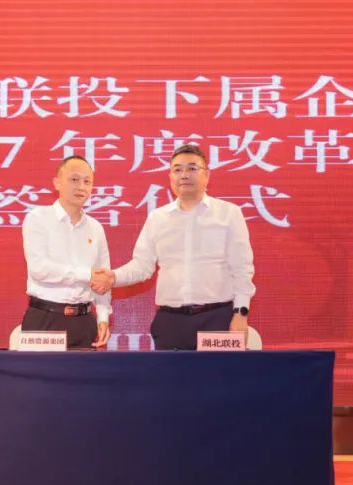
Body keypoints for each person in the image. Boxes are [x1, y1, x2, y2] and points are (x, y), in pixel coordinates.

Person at [90, 144, 254, 350]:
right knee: (168, 373)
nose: (184, 175)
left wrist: (241, 314)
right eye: (177, 169)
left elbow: (242, 268)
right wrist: (113, 277)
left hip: (217, 320)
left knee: (217, 373)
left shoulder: (229, 213)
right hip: (171, 322)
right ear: (170, 176)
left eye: (192, 168)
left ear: (207, 175)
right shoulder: (158, 218)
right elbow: (142, 266)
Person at [20, 155, 111, 349]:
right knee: (40, 371)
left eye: (87, 181)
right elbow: (39, 269)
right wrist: (87, 275)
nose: (81, 187)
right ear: (57, 183)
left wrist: (103, 317)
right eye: (74, 179)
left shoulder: (95, 228)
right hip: (45, 319)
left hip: (84, 322)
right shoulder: (38, 218)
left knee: (85, 370)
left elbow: (102, 278)